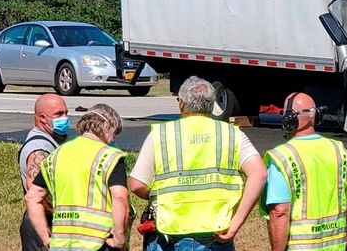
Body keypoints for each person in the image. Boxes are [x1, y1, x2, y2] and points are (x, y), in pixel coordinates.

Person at [129, 76, 267, 251]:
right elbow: (259, 174)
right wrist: (234, 225)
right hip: (216, 235)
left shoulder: (161, 134)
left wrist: (159, 195)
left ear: (181, 104)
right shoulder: (232, 134)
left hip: (170, 235)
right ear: (212, 105)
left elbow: (136, 184)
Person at [25, 104, 130, 251]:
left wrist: (45, 237)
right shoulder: (109, 156)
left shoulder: (56, 155)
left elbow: (32, 198)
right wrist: (119, 238)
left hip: (62, 245)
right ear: (106, 126)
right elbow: (120, 197)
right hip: (98, 243)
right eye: (114, 134)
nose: (112, 140)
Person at [261, 92, 347, 251]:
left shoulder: (283, 157)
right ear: (316, 116)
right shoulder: (339, 151)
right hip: (337, 246)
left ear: (289, 119)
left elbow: (280, 212)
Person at [19, 93, 69, 251]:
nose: (65, 118)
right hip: (44, 225)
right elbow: (37, 194)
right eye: (59, 114)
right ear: (42, 118)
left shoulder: (50, 142)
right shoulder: (39, 149)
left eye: (66, 113)